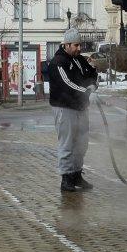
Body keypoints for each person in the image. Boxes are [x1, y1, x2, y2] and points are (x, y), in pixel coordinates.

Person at [49, 28, 99, 192]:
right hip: (65, 108)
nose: (79, 48)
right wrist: (86, 93)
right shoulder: (58, 62)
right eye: (76, 45)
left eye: (80, 45)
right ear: (66, 44)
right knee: (68, 143)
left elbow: (90, 73)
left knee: (81, 143)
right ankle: (66, 178)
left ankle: (77, 174)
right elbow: (67, 84)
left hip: (80, 107)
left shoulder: (79, 60)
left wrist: (92, 84)